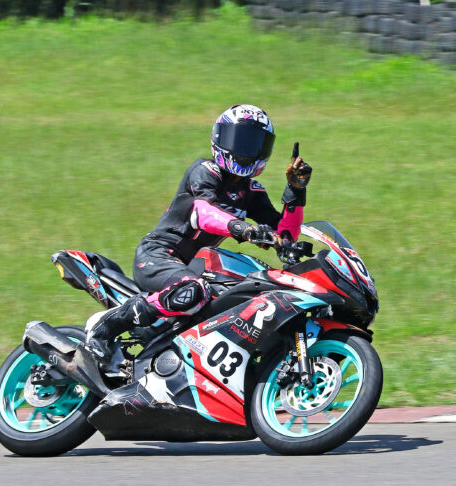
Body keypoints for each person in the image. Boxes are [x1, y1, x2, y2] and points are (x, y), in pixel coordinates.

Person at [85, 104, 312, 362]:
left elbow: (285, 234)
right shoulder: (205, 170)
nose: (246, 151)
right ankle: (105, 328)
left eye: (254, 143)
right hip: (157, 255)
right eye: (239, 140)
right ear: (219, 138)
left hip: (196, 265)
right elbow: (203, 213)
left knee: (240, 297)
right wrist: (245, 229)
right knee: (194, 290)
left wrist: (296, 191)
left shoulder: (252, 192)